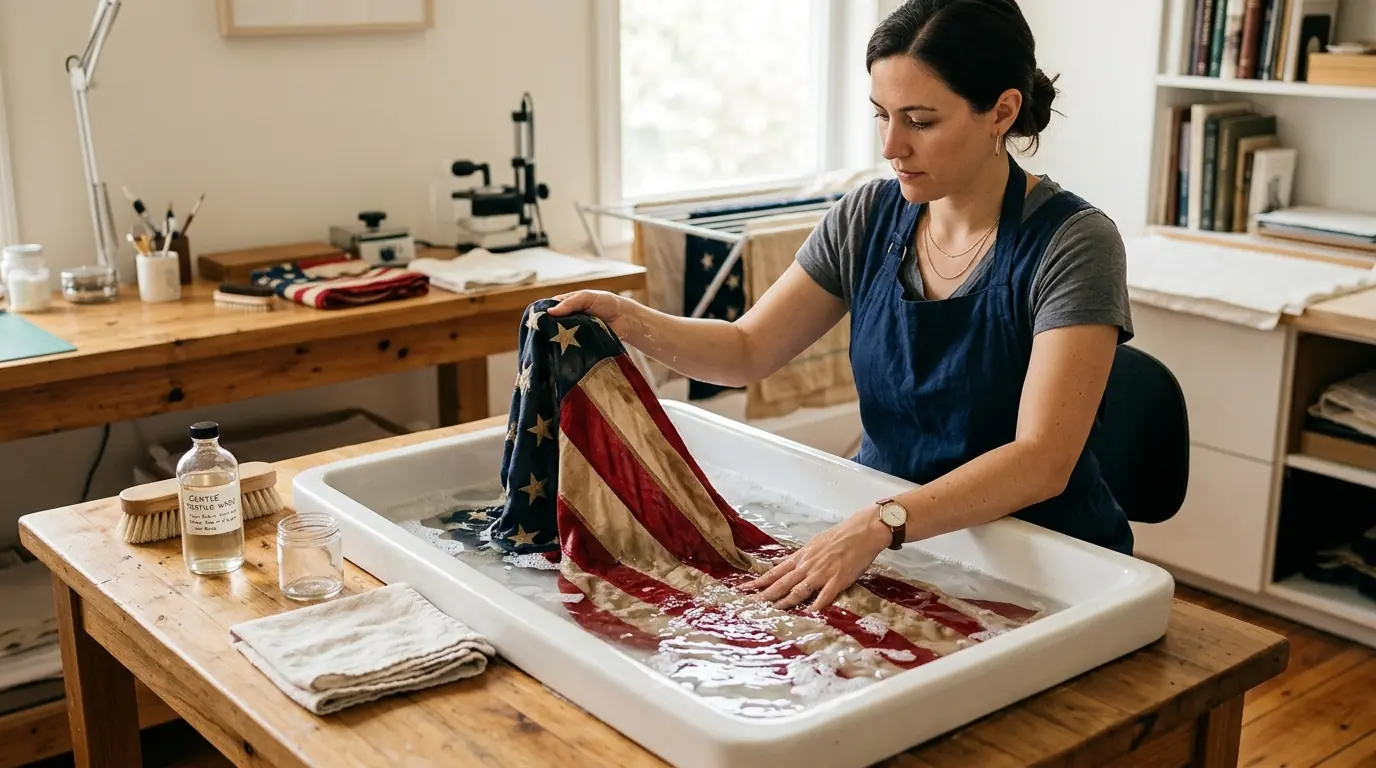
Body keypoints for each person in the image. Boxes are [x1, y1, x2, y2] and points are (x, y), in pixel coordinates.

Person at [548, 0, 1134, 613]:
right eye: (882, 115)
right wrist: (625, 317)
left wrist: (878, 524)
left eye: (921, 120)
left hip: (1042, 559)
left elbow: (1042, 461)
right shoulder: (867, 216)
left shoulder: (1076, 243)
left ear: (1002, 112)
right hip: (897, 536)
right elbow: (748, 350)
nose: (891, 145)